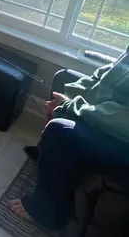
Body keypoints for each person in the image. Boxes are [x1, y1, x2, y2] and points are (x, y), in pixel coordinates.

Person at [9, 46, 129, 230]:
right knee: (63, 78)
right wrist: (67, 98)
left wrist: (70, 106)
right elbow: (105, 77)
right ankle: (48, 153)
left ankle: (47, 214)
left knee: (59, 131)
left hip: (123, 140)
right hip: (108, 111)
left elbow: (122, 119)